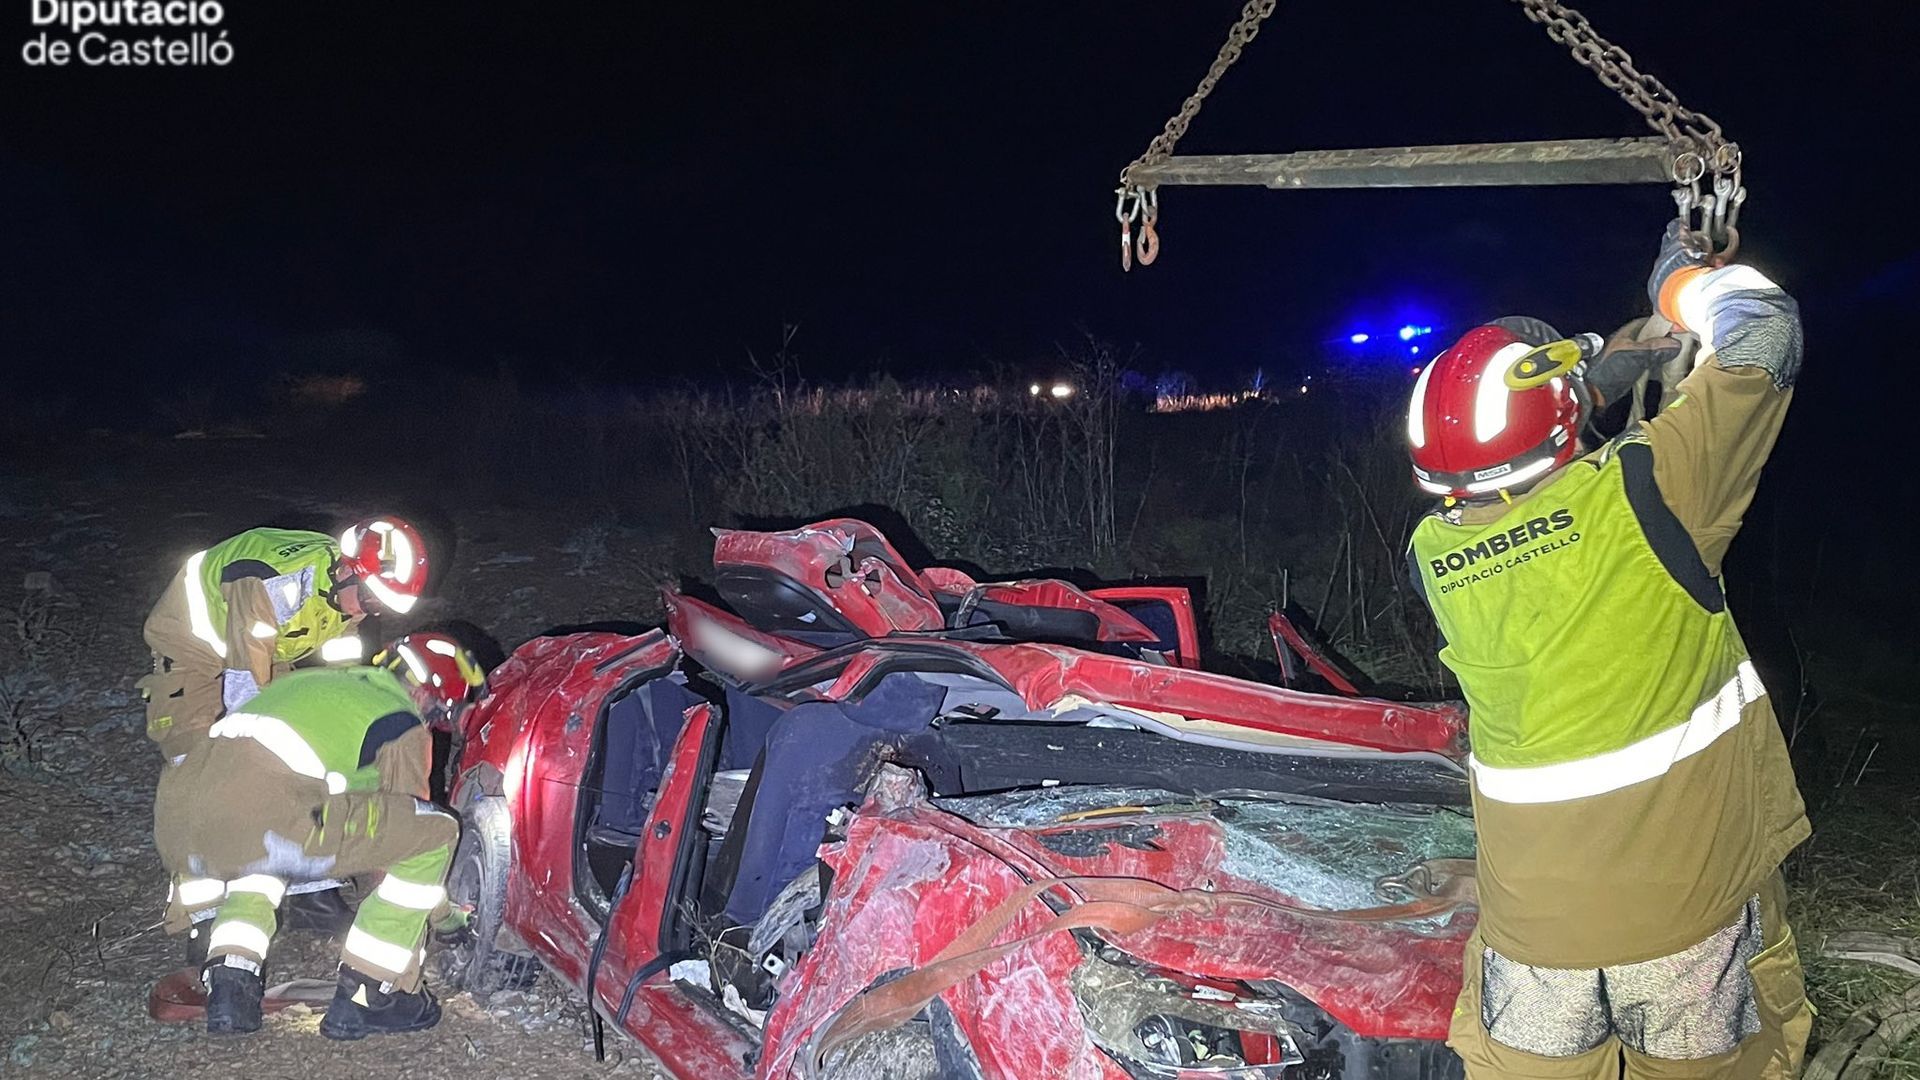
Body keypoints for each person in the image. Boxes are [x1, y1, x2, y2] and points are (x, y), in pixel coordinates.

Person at [1403, 220, 1810, 1078]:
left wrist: (1597, 377)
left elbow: (1516, 457)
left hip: (1533, 944)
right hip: (1686, 930)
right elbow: (1766, 330)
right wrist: (1680, 281)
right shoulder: (1649, 489)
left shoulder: (1433, 555)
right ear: (1560, 419)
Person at [153, 633, 485, 1039]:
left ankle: (231, 983)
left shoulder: (311, 683)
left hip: (177, 821)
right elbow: (404, 836)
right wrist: (446, 920)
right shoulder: (399, 718)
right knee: (435, 831)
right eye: (437, 712)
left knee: (262, 855)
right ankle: (372, 992)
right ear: (424, 693)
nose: (432, 723)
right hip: (264, 817)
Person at [139, 517, 430, 762]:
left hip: (268, 649)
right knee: (195, 752)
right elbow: (245, 682)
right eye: (369, 599)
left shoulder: (347, 595)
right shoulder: (277, 585)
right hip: (191, 645)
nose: (365, 611)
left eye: (378, 607)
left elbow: (342, 668)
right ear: (345, 571)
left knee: (293, 730)